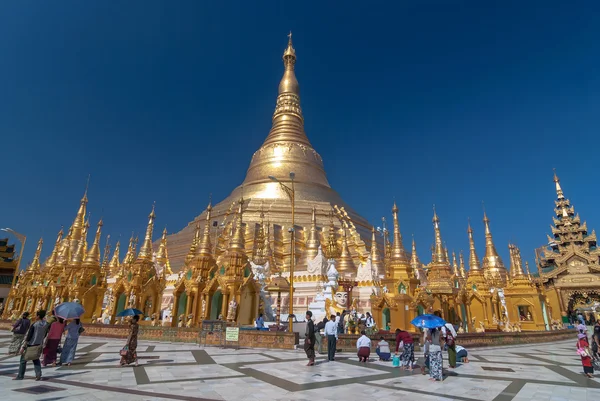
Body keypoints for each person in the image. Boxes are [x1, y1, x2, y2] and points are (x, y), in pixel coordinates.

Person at [14, 310, 48, 381]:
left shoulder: (34, 325)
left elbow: (29, 336)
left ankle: (20, 376)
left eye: (36, 315)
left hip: (31, 344)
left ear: (38, 316)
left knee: (23, 360)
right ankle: (38, 374)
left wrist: (23, 346)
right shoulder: (45, 324)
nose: (35, 316)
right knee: (36, 359)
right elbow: (45, 334)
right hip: (38, 344)